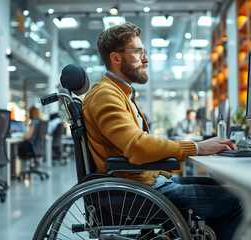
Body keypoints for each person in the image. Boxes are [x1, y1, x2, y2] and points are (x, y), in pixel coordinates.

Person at [82, 22, 242, 240]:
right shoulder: (105, 95)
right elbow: (137, 147)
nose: (145, 59)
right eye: (138, 52)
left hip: (142, 183)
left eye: (144, 52)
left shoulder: (120, 92)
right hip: (133, 191)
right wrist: (196, 147)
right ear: (116, 58)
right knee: (236, 201)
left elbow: (138, 142)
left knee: (216, 186)